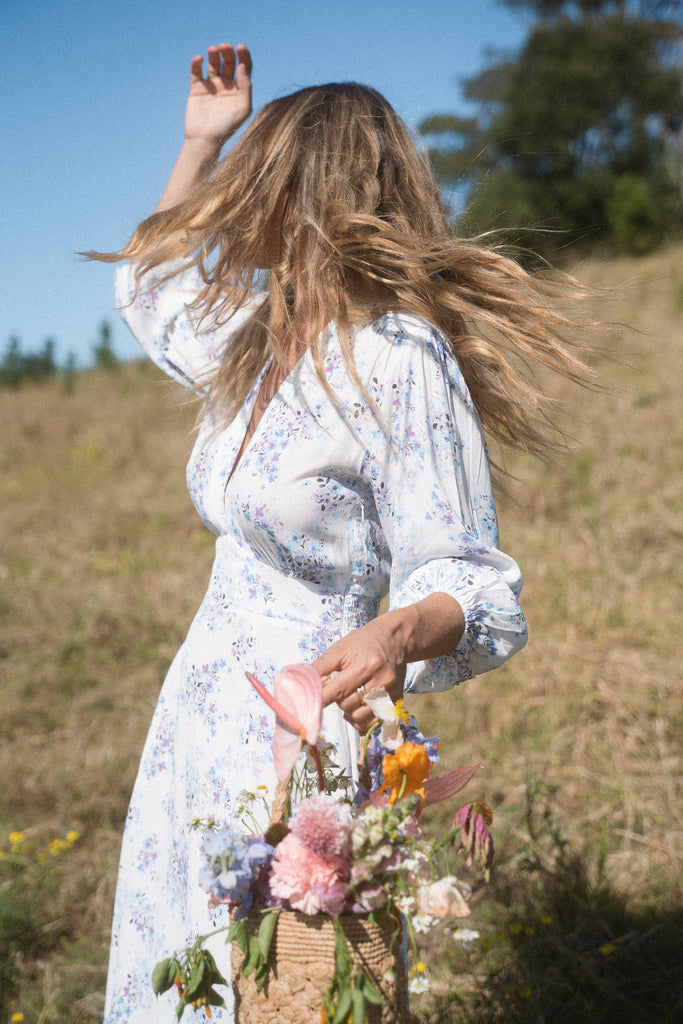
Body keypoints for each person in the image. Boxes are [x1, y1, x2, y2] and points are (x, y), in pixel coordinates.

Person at [92, 42, 589, 1023]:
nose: (232, 197)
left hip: (305, 741)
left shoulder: (400, 357)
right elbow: (148, 287)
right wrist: (199, 139)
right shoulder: (250, 337)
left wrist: (392, 637)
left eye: (252, 174)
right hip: (196, 716)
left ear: (303, 192)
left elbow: (476, 587)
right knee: (186, 981)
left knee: (291, 995)